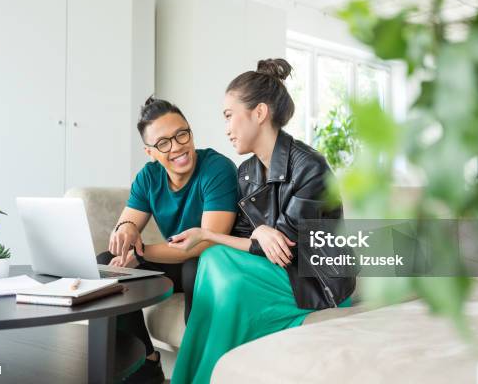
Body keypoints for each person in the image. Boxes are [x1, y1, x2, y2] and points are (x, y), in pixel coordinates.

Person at [165, 59, 356, 384]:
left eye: (229, 115)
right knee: (212, 259)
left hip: (315, 282)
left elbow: (284, 248)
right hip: (277, 272)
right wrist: (257, 233)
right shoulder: (247, 173)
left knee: (221, 263)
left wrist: (213, 233)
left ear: (259, 113)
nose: (226, 128)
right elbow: (247, 242)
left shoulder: (311, 167)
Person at [97, 96, 239, 384]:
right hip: (177, 260)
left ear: (190, 132)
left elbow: (206, 244)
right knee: (106, 266)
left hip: (215, 262)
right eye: (163, 143)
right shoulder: (149, 177)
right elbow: (128, 222)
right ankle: (147, 363)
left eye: (181, 134)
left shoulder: (217, 168)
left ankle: (198, 368)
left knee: (196, 267)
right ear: (150, 152)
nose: (176, 147)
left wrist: (143, 250)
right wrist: (125, 231)